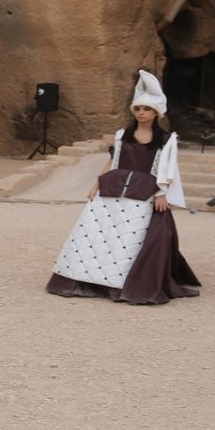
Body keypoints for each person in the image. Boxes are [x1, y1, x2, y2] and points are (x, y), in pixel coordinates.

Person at [46, 70, 200, 305]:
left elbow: (167, 168)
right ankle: (88, 280)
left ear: (156, 112)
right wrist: (97, 183)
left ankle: (126, 283)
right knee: (98, 236)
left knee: (133, 238)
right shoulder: (122, 135)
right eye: (138, 109)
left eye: (146, 109)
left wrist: (161, 193)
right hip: (114, 191)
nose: (141, 113)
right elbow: (113, 161)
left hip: (145, 194)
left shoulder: (167, 139)